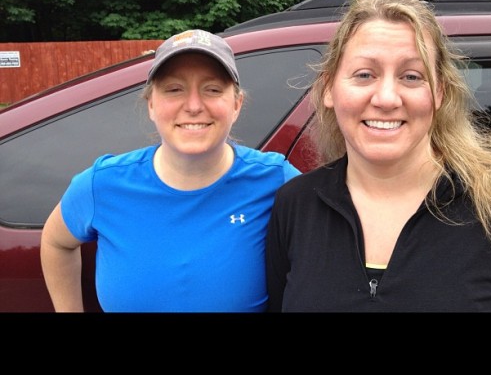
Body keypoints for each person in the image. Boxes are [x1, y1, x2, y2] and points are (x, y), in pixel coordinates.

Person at [265, 0, 491, 312]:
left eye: (411, 76)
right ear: (328, 89)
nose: (387, 98)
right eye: (364, 74)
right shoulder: (293, 207)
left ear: (440, 93)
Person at [40, 29, 301, 312]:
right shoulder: (102, 185)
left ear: (236, 105)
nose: (193, 106)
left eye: (212, 89)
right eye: (174, 89)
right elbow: (56, 242)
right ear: (151, 105)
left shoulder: (276, 181)